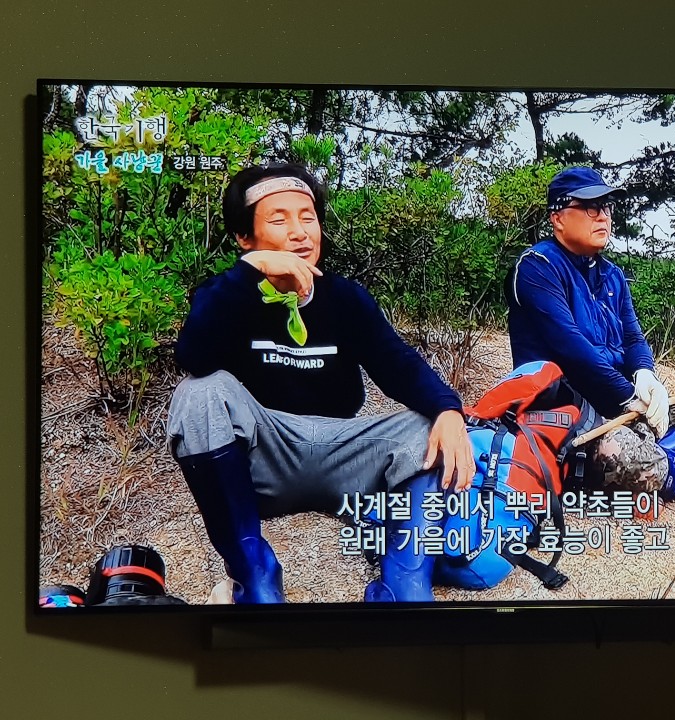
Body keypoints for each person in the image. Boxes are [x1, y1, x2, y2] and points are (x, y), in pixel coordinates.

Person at [166, 163, 474, 604]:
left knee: (427, 428)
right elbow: (194, 357)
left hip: (341, 454)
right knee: (198, 393)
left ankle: (404, 585)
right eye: (279, 220)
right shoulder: (226, 296)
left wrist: (447, 409)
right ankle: (255, 575)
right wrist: (250, 272)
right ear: (244, 238)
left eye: (307, 218)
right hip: (262, 458)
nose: (299, 233)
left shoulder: (344, 298)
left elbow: (396, 363)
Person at [507, 166, 675, 506]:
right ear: (558, 217)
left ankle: (657, 466)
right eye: (589, 207)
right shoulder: (538, 266)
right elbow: (570, 346)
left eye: (606, 207)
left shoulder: (612, 275)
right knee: (622, 452)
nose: (602, 216)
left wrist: (645, 375)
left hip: (619, 405)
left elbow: (633, 337)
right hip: (566, 411)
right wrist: (627, 396)